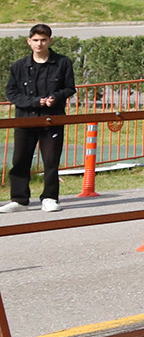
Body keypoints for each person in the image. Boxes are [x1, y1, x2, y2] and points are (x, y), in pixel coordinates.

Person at [4, 24, 75, 213]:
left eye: (43, 40)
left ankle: (50, 198)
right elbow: (11, 92)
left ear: (50, 40)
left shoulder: (63, 62)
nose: (39, 44)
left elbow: (70, 88)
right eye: (35, 40)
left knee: (51, 161)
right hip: (25, 120)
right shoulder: (18, 66)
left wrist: (55, 98)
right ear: (29, 41)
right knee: (20, 160)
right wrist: (35, 102)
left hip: (52, 120)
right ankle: (19, 200)